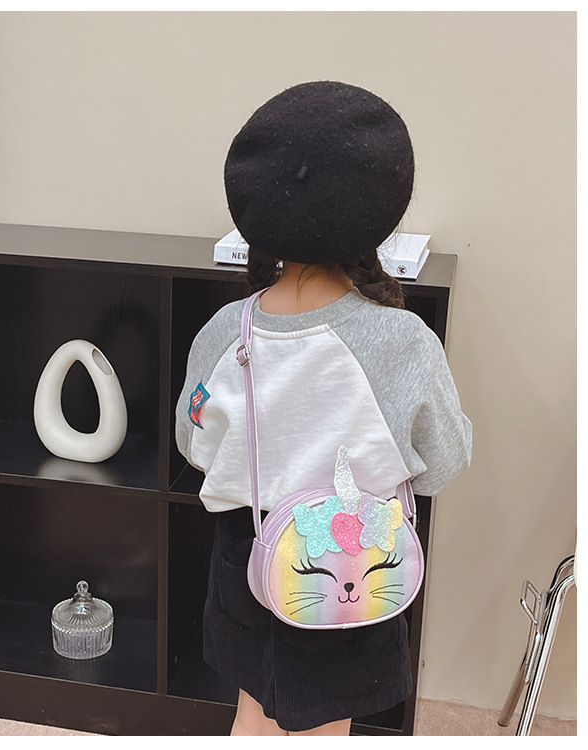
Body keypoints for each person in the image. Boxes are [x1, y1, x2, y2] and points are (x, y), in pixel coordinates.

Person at [175, 81, 472, 736]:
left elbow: (194, 445)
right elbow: (444, 463)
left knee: (252, 712)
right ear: (381, 209)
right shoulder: (402, 342)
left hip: (245, 557)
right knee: (324, 729)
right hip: (350, 562)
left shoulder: (224, 332)